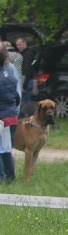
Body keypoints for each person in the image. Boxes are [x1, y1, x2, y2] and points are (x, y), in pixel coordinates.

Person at [0, 45, 20, 182]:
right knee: (6, 148)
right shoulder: (10, 76)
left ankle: (2, 177)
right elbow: (17, 97)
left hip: (1, 116)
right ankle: (10, 177)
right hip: (10, 115)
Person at [15, 37, 36, 102]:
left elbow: (27, 70)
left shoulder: (28, 54)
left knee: (25, 102)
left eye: (19, 45)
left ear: (24, 43)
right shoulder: (23, 53)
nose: (18, 47)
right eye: (17, 45)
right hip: (25, 80)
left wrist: (24, 85)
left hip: (26, 81)